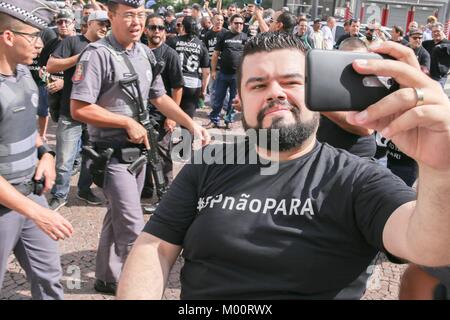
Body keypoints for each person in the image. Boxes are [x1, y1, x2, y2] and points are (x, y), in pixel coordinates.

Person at [117, 32, 450, 300]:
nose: (275, 93)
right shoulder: (209, 164)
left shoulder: (357, 178)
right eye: (258, 85)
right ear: (240, 101)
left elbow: (429, 246)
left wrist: (441, 169)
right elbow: (155, 247)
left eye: (291, 82)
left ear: (318, 93)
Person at [70, 0, 209, 295]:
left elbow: (159, 97)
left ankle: (107, 277)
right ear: (112, 16)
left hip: (139, 154)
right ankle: (140, 289)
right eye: (129, 15)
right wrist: (124, 122)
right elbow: (79, 108)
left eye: (141, 16)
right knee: (134, 228)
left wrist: (191, 124)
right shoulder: (97, 55)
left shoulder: (144, 52)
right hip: (110, 155)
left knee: (115, 216)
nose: (137, 22)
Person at [0, 0, 74, 300]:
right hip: (7, 206)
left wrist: (46, 153)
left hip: (30, 193)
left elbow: (28, 131)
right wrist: (35, 212)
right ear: (7, 37)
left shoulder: (24, 77)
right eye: (32, 36)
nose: (40, 43)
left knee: (49, 278)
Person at [46, 10, 110, 210]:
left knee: (90, 158)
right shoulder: (72, 41)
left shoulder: (107, 47)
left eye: (107, 25)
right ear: (89, 23)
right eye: (100, 23)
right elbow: (51, 66)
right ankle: (59, 194)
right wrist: (80, 56)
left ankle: (84, 190)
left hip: (94, 113)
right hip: (71, 111)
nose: (104, 28)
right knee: (65, 159)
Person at [141, 14, 184, 204]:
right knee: (144, 153)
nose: (156, 31)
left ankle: (165, 196)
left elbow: (177, 87)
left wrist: (171, 116)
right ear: (146, 30)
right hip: (141, 115)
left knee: (162, 156)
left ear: (165, 32)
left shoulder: (170, 55)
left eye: (160, 28)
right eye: (153, 27)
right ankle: (147, 189)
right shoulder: (139, 51)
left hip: (162, 114)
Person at [207, 14, 247, 129]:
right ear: (231, 24)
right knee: (218, 98)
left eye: (241, 23)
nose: (239, 25)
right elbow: (215, 55)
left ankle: (229, 120)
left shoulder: (245, 37)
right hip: (222, 73)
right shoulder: (223, 35)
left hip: (237, 75)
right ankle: (214, 120)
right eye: (236, 23)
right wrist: (213, 70)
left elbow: (248, 57)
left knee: (233, 100)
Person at [167, 16, 210, 119]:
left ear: (183, 27)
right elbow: (206, 72)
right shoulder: (201, 44)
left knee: (169, 118)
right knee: (187, 121)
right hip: (193, 85)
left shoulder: (173, 41)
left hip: (175, 83)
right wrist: (203, 91)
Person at [422, 23, 450, 88]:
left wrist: (440, 46)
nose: (436, 33)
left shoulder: (448, 43)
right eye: (434, 31)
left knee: (436, 93)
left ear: (442, 31)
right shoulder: (426, 43)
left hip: (439, 76)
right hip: (426, 74)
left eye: (438, 31)